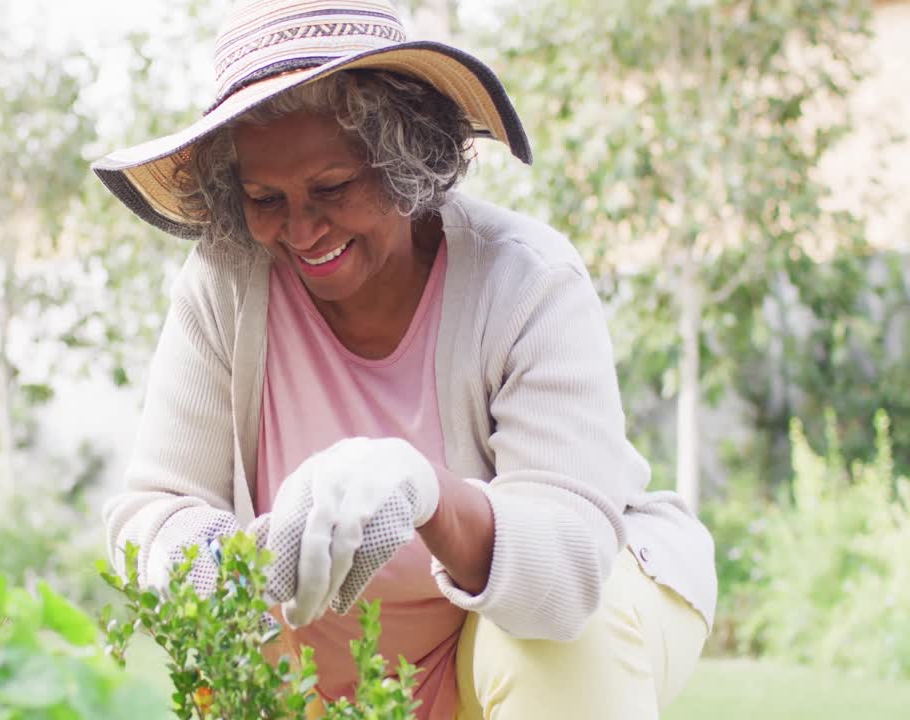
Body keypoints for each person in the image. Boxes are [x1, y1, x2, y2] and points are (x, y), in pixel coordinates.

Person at [95, 1, 716, 718]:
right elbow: (151, 512)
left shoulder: (526, 279)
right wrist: (234, 561)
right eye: (264, 197)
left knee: (562, 636)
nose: (300, 229)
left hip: (553, 623)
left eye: (332, 188)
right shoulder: (225, 283)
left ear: (404, 157)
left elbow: (569, 570)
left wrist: (425, 491)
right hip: (332, 671)